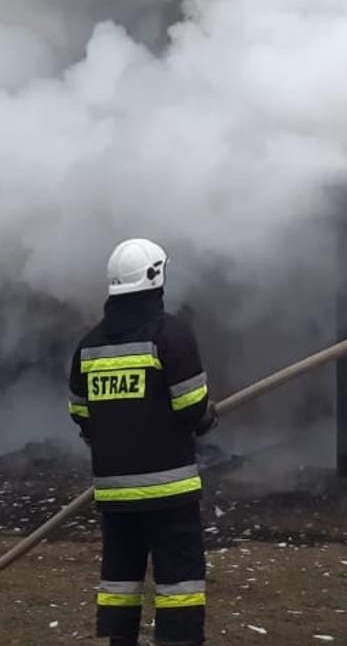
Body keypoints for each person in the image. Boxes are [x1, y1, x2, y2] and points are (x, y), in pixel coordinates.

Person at [69, 239, 217, 646]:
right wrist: (208, 416)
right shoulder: (170, 334)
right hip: (169, 490)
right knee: (179, 583)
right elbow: (191, 407)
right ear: (156, 276)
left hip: (115, 493)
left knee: (119, 580)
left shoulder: (90, 345)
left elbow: (81, 415)